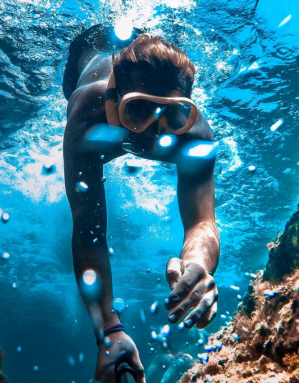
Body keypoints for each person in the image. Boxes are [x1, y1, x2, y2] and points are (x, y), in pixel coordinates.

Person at [62, 25, 220, 383]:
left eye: (172, 114)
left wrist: (198, 263)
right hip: (87, 50)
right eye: (138, 111)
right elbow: (88, 234)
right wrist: (108, 330)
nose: (154, 132)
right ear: (113, 98)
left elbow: (202, 222)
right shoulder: (87, 114)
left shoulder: (194, 135)